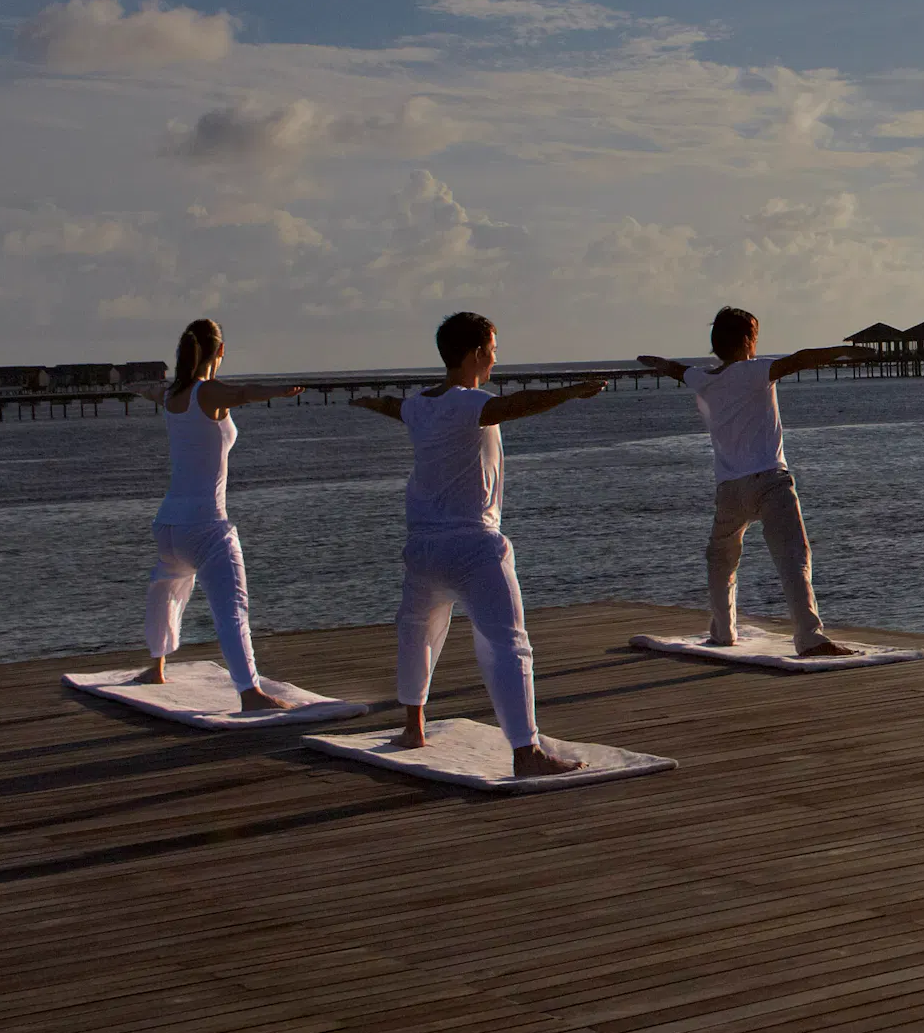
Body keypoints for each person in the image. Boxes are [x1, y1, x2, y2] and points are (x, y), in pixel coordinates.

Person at [355, 310, 607, 777]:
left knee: (416, 633)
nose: (495, 359)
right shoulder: (466, 403)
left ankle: (413, 726)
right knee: (510, 645)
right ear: (475, 354)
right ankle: (525, 752)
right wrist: (571, 392)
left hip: (423, 548)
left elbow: (395, 406)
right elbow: (518, 405)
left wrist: (370, 401)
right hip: (473, 546)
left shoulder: (420, 406)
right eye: (492, 350)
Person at [636, 305, 859, 655]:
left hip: (729, 490)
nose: (757, 343)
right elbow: (799, 360)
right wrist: (842, 351)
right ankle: (810, 637)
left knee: (721, 560)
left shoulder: (705, 379)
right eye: (754, 336)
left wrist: (656, 362)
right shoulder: (755, 371)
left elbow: (679, 371)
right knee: (793, 558)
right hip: (769, 482)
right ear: (745, 341)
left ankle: (724, 631)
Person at [141, 316, 306, 706]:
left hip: (168, 525)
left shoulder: (171, 395)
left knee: (166, 590)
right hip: (205, 525)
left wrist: (138, 388)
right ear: (220, 351)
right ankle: (250, 692)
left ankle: (157, 666)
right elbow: (245, 392)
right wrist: (281, 391)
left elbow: (152, 392)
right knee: (232, 608)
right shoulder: (206, 393)